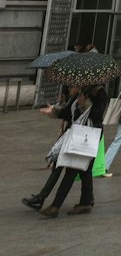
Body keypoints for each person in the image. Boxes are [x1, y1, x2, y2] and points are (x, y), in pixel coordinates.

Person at [38, 82, 108, 216]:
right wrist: (53, 110)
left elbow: (97, 114)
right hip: (78, 135)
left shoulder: (99, 93)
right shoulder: (82, 91)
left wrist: (85, 103)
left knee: (71, 170)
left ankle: (55, 206)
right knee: (85, 171)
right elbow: (68, 112)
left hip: (88, 137)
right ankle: (86, 203)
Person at [22, 83, 81, 209]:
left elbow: (70, 113)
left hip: (77, 138)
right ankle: (42, 198)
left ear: (78, 86)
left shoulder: (82, 98)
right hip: (71, 136)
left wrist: (54, 110)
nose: (69, 89)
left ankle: (47, 201)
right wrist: (55, 108)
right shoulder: (75, 98)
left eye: (71, 86)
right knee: (59, 167)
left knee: (69, 171)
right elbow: (67, 112)